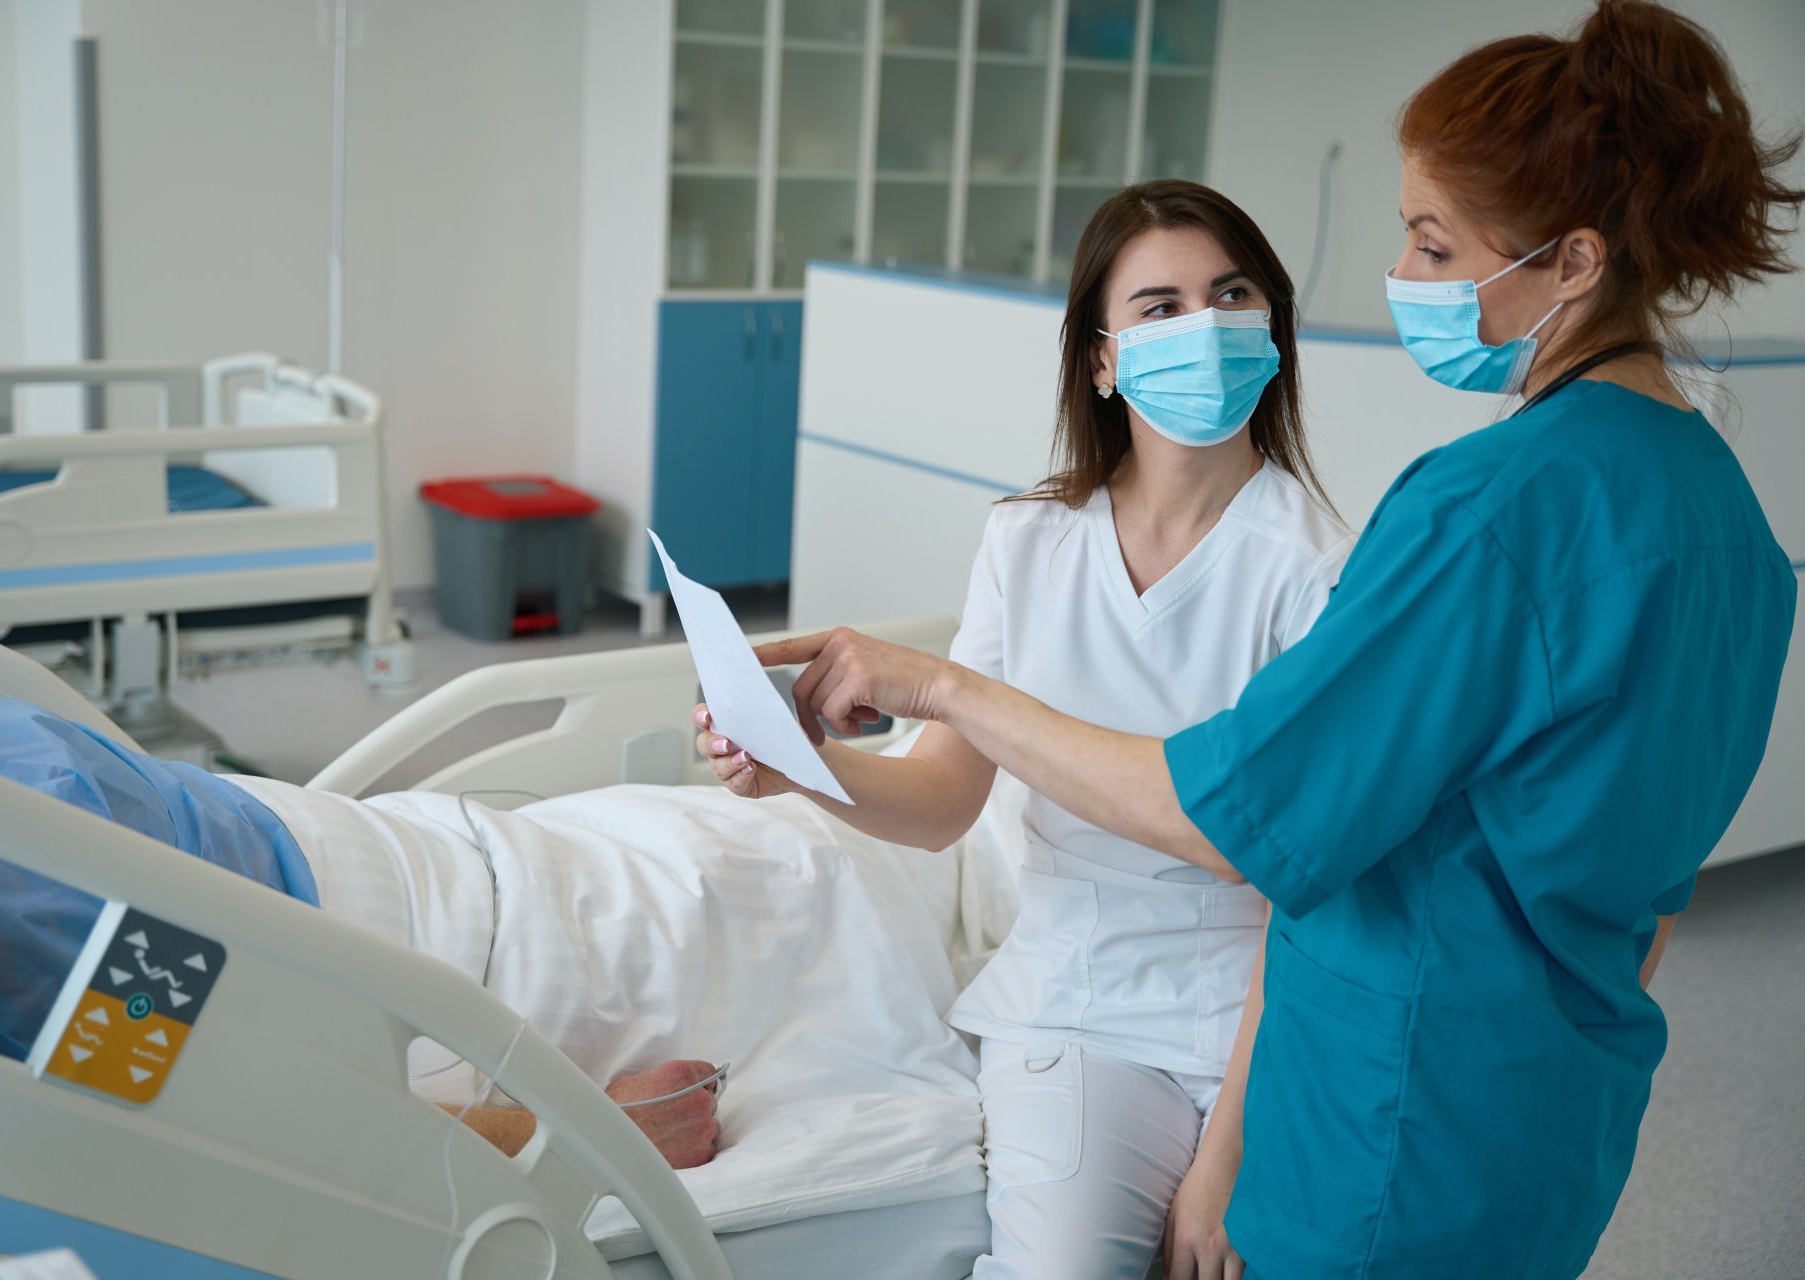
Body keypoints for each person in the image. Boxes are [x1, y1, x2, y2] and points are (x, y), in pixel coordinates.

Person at [740, 3, 1799, 1276]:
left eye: (1430, 240)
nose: (1406, 278)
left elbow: (1236, 815)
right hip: (1558, 1089)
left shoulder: (1469, 519)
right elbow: (1660, 883)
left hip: (1394, 1097)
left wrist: (936, 683)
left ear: (1572, 261)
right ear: (1101, 360)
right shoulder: (1731, 522)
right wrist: (821, 746)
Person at [699, 179, 1353, 1278]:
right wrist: (798, 761)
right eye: (1159, 307)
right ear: (1101, 358)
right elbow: (947, 798)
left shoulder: (1324, 571)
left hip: (1267, 1014)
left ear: (1271, 325)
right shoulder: (1029, 542)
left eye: (1229, 294)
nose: (1203, 327)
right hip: (1082, 1005)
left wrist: (1225, 1155)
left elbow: (1303, 878)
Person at [0, 662, 720, 1170]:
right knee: (763, 887)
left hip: (351, 839)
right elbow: (210, 1106)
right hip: (415, 951)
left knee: (728, 855)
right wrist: (595, 1143)